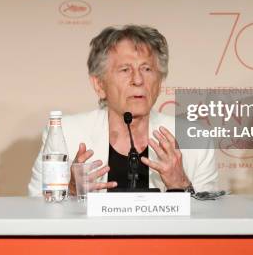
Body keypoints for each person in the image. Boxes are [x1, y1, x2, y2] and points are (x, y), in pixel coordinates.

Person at [28, 25, 218, 195]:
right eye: (125, 70)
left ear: (160, 81)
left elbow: (212, 219)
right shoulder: (66, 134)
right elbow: (36, 208)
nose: (138, 80)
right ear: (99, 84)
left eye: (147, 69)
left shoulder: (195, 139)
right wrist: (70, 190)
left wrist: (182, 184)